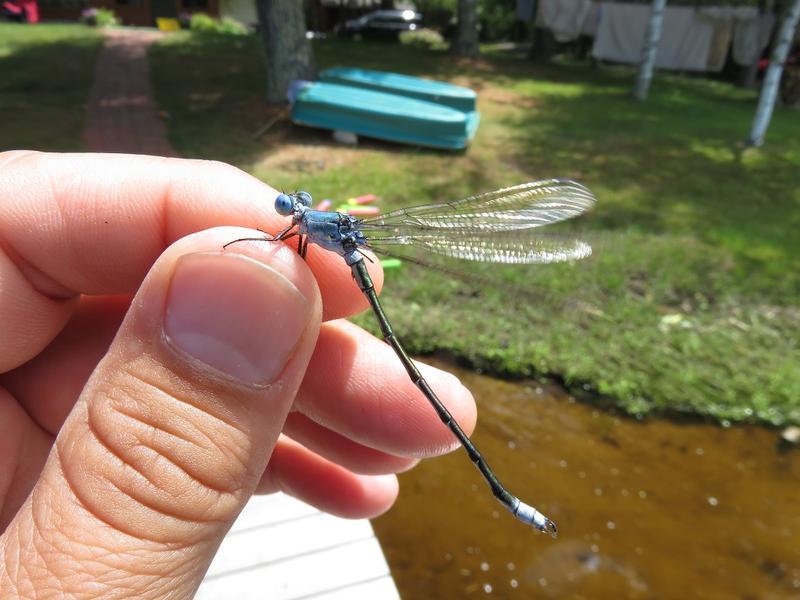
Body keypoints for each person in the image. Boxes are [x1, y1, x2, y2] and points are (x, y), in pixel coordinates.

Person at [0, 151, 476, 597]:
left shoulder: (301, 229)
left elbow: (288, 248)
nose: (294, 210)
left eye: (295, 207)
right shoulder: (305, 230)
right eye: (294, 206)